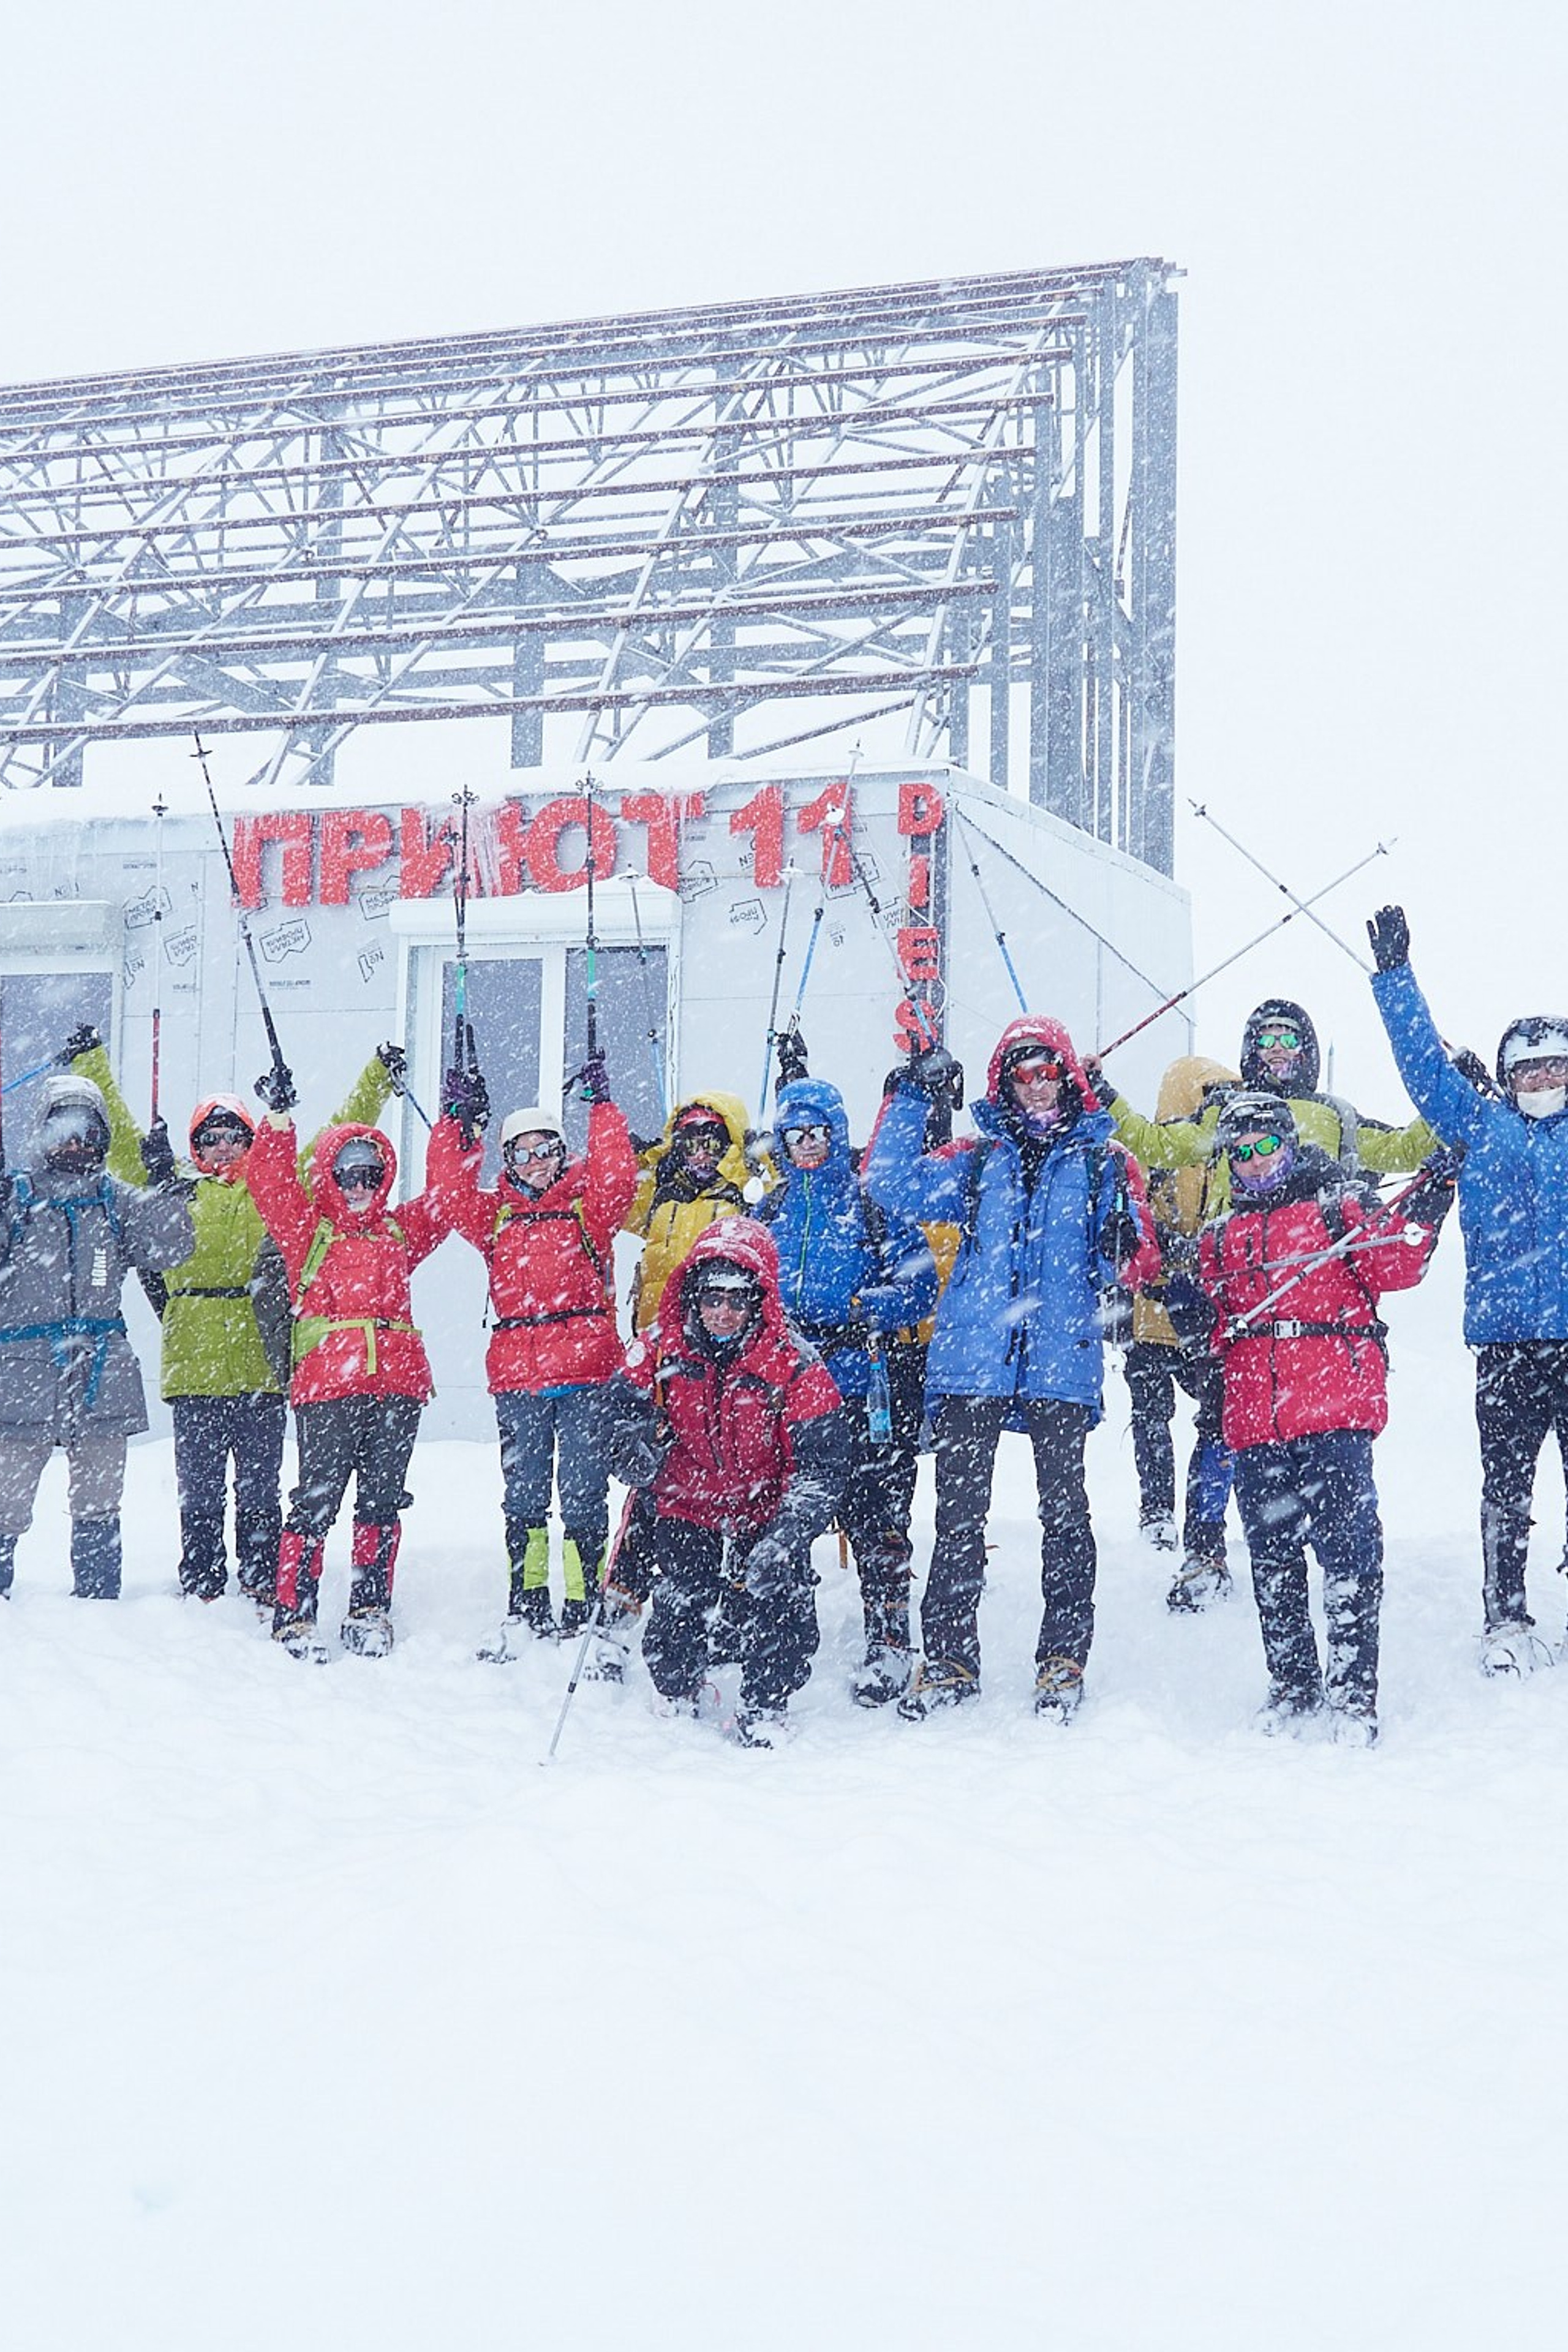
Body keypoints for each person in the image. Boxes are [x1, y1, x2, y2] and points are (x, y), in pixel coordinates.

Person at [864, 1017, 1159, 1722]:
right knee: (959, 1518)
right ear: (1004, 1081)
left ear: (1066, 1075)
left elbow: (1142, 1257)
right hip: (973, 1360)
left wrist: (1127, 1245)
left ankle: (1062, 1658)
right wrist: (910, 1092)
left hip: (1060, 1359)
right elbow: (889, 1183)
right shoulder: (974, 1158)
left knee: (1065, 1517)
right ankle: (949, 1660)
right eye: (1021, 1073)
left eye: (1046, 1071)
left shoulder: (1106, 1163)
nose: (1034, 1085)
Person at [64, 1024, 407, 1605]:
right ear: (196, 1146)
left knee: (259, 1484)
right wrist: (93, 1061)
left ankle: (258, 1572)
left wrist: (376, 1076)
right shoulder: (172, 1186)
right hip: (194, 1360)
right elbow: (122, 1141)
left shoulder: (272, 1188)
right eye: (211, 1138)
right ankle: (201, 1575)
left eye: (234, 1137)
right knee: (198, 1486)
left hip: (260, 1362)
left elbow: (332, 1140)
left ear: (252, 1142)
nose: (224, 1149)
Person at [1191, 1088, 1447, 1744]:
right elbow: (1207, 1318)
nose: (1254, 1163)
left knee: (1348, 1552)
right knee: (1273, 1560)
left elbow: (1401, 1262)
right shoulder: (1219, 1238)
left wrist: (1430, 1198)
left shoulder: (1340, 1210)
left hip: (1333, 1407)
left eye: (1266, 1147)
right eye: (1240, 1154)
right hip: (1254, 1419)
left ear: (1289, 1143)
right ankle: (1292, 1683)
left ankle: (1353, 1691)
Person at [1367, 902, 1568, 1673]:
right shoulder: (1480, 1126)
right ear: (1508, 1076)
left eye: (1556, 1065)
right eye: (1529, 1068)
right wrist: (1394, 977)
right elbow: (1420, 1061)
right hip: (1507, 1344)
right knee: (1506, 1490)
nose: (1543, 1078)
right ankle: (1505, 1620)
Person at [244, 1060, 475, 1657]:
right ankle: (294, 1612)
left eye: (370, 1172)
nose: (359, 1183)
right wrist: (277, 1118)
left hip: (397, 1388)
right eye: (347, 1172)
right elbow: (269, 1183)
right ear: (329, 1175)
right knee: (317, 1498)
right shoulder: (307, 1232)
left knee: (380, 1500)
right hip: (328, 1388)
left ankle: (370, 1609)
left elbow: (448, 1201)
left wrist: (457, 1127)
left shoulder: (399, 1233)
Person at [600, 1220, 848, 1747]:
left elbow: (824, 1463)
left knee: (781, 1597)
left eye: (737, 1299)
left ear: (758, 1299)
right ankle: (675, 1688)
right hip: (687, 1498)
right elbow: (616, 1412)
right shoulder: (662, 1348)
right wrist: (632, 1447)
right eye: (712, 1297)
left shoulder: (793, 1362)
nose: (723, 1312)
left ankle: (766, 1703)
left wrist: (788, 1533)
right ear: (694, 1294)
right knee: (680, 1594)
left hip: (767, 1505)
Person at [435, 1047, 637, 1651]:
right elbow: (448, 1192)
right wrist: (456, 1123)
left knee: (581, 1492)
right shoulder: (493, 1215)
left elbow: (618, 1177)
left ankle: (579, 1603)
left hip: (584, 1374)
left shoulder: (587, 1208)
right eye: (521, 1152)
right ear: (507, 1159)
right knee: (524, 1496)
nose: (535, 1162)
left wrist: (602, 1107)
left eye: (546, 1148)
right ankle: (526, 1602)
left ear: (561, 1152)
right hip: (518, 1377)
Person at [755, 1075, 938, 1704]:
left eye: (817, 1134)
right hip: (786, 1392)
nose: (806, 1146)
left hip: (859, 1385)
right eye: (794, 1135)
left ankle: (888, 1641)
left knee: (876, 1519)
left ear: (837, 1136)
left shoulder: (869, 1204)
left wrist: (869, 1305)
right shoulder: (769, 1211)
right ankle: (775, 1633)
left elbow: (919, 1282)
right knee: (780, 1514)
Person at [0, 1072, 193, 1599]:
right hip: (23, 1373)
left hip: (101, 1371)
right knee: (6, 1500)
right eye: (62, 1128)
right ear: (41, 1132)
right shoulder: (15, 1197)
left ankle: (99, 1598)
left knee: (100, 1498)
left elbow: (171, 1250)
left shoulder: (117, 1200)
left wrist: (168, 1185)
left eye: (87, 1130)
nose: (75, 1142)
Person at [1091, 997, 1436, 1202]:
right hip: (1237, 1255)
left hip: (1311, 1256)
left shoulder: (1335, 1114)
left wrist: (1453, 1096)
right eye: (1266, 1041)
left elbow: (1403, 1150)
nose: (1277, 1050)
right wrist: (1102, 1093)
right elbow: (1155, 1145)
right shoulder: (1228, 1110)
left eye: (1288, 1038)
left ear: (1305, 1050)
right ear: (1252, 1050)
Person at [1121, 1054, 1240, 1609]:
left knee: (1193, 1419)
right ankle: (1159, 1510)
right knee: (1162, 1419)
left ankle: (1171, 1515)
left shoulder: (1206, 1149)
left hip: (1191, 1312)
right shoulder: (1159, 1153)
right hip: (1160, 1309)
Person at [624, 1090, 756, 1332]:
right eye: (690, 1145)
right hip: (657, 1335)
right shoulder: (663, 1191)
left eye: (712, 1145)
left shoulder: (746, 1191)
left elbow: (788, 1191)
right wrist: (636, 1160)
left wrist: (762, 1157)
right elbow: (614, 1205)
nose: (700, 1154)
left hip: (721, 1337)